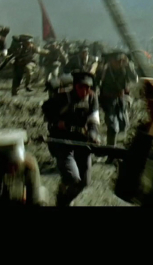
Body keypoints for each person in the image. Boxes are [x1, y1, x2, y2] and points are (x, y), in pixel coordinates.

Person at [41, 71, 101, 206]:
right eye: (81, 87)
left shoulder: (92, 98)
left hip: (81, 141)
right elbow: (46, 109)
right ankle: (63, 195)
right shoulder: (62, 97)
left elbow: (94, 119)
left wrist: (93, 133)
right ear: (75, 86)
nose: (85, 91)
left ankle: (63, 200)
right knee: (72, 178)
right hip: (62, 141)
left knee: (84, 182)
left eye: (88, 88)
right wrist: (57, 121)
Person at [97, 51, 139, 153]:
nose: (119, 63)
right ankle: (110, 151)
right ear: (111, 61)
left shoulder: (125, 69)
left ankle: (114, 146)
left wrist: (129, 65)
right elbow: (96, 81)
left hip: (121, 100)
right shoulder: (105, 70)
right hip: (108, 100)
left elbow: (134, 79)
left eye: (121, 61)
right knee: (112, 127)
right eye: (117, 61)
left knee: (124, 125)